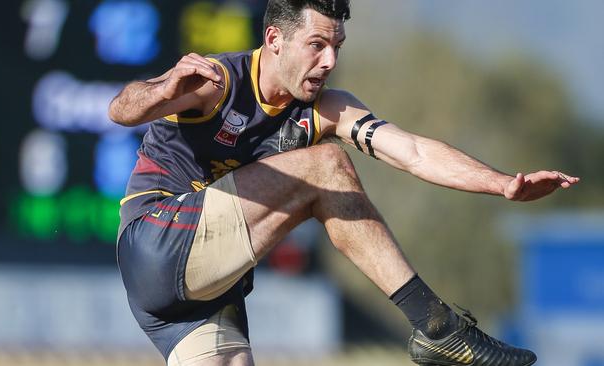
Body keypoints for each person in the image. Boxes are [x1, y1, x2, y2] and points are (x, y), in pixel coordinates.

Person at [108, 0, 579, 365]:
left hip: (195, 298)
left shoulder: (327, 109)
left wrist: (501, 185)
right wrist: (163, 88)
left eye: (337, 46)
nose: (329, 59)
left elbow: (413, 152)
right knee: (326, 165)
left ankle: (438, 331)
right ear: (274, 39)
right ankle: (435, 325)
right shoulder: (219, 82)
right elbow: (121, 109)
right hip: (157, 238)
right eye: (316, 44)